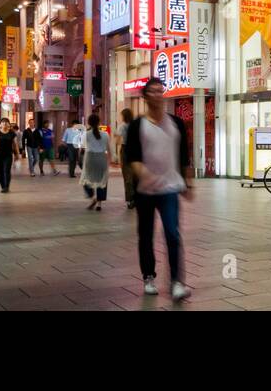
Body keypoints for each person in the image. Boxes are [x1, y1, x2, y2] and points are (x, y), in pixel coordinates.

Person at [124, 78, 192, 301]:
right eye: (153, 91)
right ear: (145, 97)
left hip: (170, 189)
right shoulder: (137, 126)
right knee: (145, 235)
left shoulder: (176, 123)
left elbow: (184, 156)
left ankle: (176, 282)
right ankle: (149, 276)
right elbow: (132, 159)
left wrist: (188, 183)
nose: (158, 94)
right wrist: (146, 175)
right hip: (145, 191)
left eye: (160, 91)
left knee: (173, 234)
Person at [81, 114, 111, 211]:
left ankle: (92, 197)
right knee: (102, 180)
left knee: (85, 180)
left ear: (89, 123)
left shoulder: (86, 134)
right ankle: (99, 204)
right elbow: (109, 150)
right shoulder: (105, 134)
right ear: (99, 122)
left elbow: (82, 148)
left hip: (90, 158)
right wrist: (109, 162)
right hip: (101, 158)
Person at [0, 119, 20, 193]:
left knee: (7, 170)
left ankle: (6, 187)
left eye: (6, 122)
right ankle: (3, 186)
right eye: (3, 122)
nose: (5, 124)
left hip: (8, 154)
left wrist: (17, 155)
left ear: (9, 124)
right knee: (0, 171)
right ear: (0, 124)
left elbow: (15, 145)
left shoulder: (12, 133)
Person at [115, 108, 136, 209]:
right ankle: (137, 197)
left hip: (126, 150)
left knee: (127, 175)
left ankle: (130, 199)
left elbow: (118, 141)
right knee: (136, 174)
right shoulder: (136, 124)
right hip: (136, 151)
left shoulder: (122, 126)